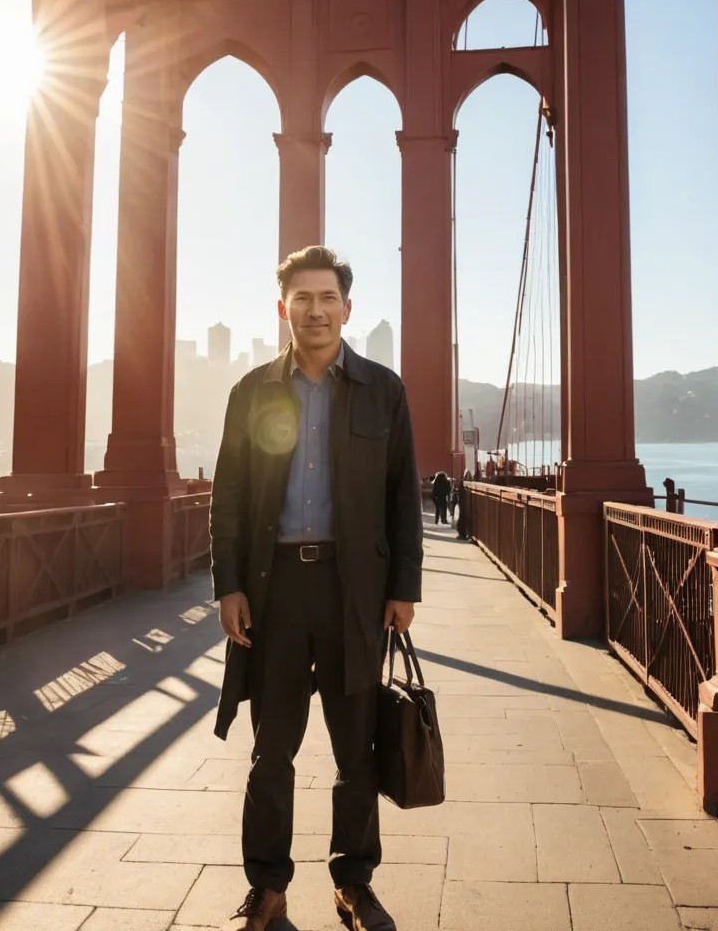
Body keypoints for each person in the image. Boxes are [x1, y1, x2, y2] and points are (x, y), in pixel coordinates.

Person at [209, 246, 423, 931]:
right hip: (275, 593)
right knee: (271, 751)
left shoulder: (384, 390)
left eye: (327, 297)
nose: (315, 310)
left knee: (356, 750)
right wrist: (229, 586)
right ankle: (267, 890)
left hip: (354, 593)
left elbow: (403, 498)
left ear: (347, 308)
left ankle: (353, 884)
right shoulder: (251, 393)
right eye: (301, 299)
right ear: (284, 310)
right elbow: (230, 499)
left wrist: (404, 587)